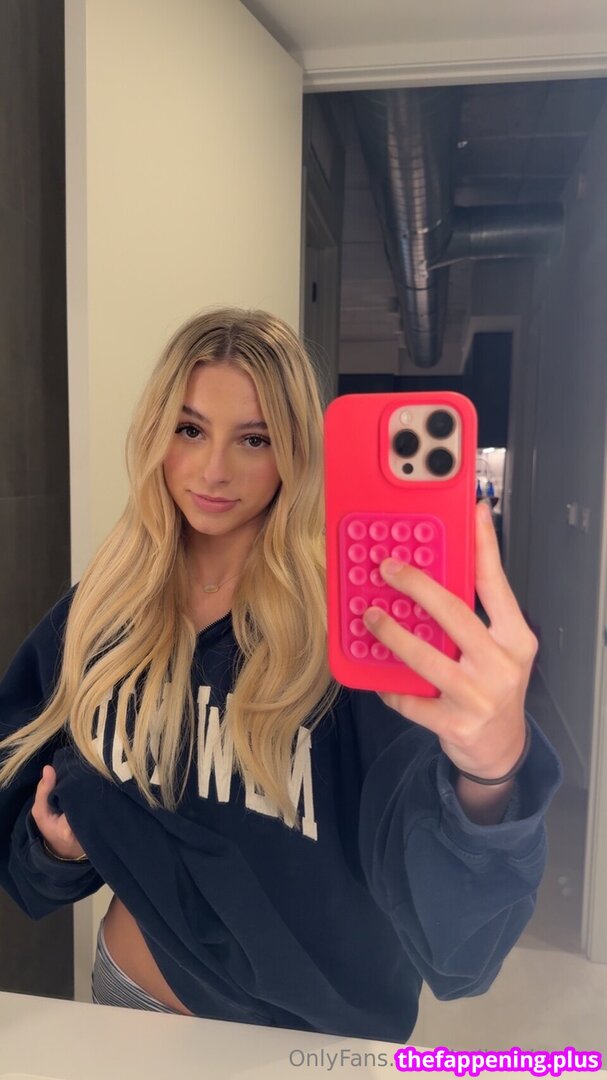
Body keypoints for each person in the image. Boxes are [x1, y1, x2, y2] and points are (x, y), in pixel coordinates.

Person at [0, 307, 561, 1041]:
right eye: (190, 429)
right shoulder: (106, 611)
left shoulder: (354, 634)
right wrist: (58, 848)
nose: (213, 470)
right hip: (127, 1000)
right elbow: (41, 846)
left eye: (254, 439)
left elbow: (458, 946)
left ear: (295, 451)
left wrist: (489, 774)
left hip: (306, 1043)